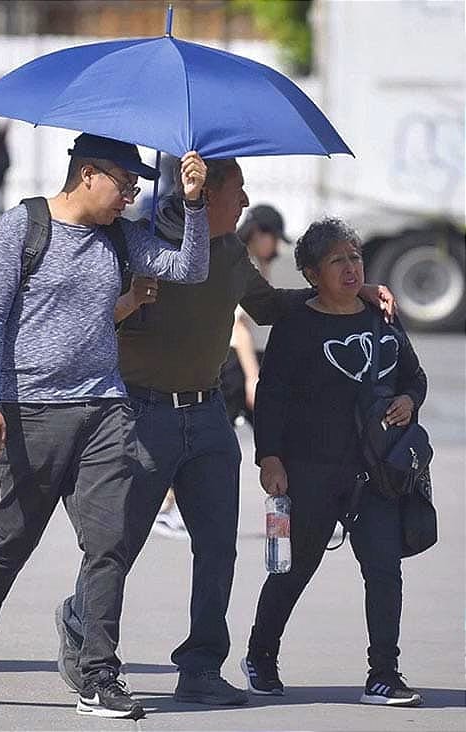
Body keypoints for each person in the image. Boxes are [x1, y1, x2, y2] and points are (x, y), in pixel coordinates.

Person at [57, 158, 397, 706]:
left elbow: (271, 306)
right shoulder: (140, 244)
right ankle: (86, 633)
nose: (244, 202)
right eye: (237, 191)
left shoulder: (233, 251)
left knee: (217, 548)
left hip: (209, 417)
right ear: (204, 192)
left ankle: (201, 666)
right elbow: (89, 318)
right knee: (118, 546)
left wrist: (349, 290)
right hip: (143, 416)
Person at [0, 133, 210, 720]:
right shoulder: (22, 228)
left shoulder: (118, 235)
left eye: (138, 185)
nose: (131, 195)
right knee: (14, 541)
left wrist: (192, 202)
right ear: (89, 174)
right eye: (125, 183)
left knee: (108, 543)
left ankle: (98, 675)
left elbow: (189, 268)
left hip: (106, 407)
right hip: (31, 409)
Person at [241, 217, 427, 707]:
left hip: (377, 472)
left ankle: (384, 673)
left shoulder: (381, 315)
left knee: (384, 569)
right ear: (310, 273)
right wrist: (270, 458)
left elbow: (414, 376)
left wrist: (409, 400)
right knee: (295, 568)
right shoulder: (297, 324)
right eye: (337, 261)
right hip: (311, 470)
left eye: (355, 257)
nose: (350, 268)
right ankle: (261, 654)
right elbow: (272, 394)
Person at [222, 204, 291, 425]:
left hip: (251, 359)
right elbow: (239, 327)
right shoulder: (245, 265)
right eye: (274, 239)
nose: (276, 247)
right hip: (240, 361)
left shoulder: (250, 262)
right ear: (258, 233)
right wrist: (253, 378)